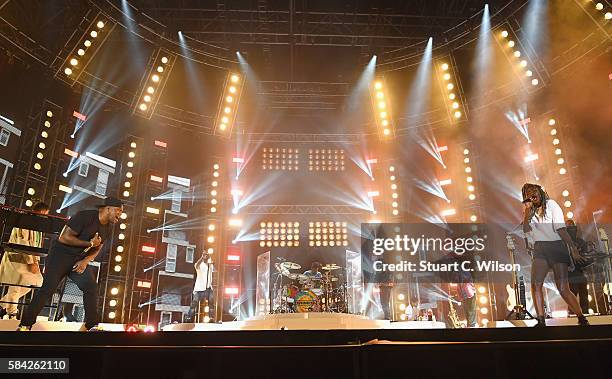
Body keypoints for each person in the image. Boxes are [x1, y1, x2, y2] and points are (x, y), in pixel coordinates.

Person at [17, 197, 123, 331]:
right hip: (59, 257)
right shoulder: (84, 216)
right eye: (118, 210)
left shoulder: (107, 228)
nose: (120, 214)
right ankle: (25, 324)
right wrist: (89, 243)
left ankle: (90, 326)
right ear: (108, 208)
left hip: (77, 261)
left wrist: (85, 261)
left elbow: (98, 248)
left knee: (91, 287)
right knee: (47, 290)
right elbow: (64, 237)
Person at [521, 183, 589, 326]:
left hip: (556, 246)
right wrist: (527, 212)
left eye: (534, 191)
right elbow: (526, 229)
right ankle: (541, 320)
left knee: (563, 288)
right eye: (527, 193)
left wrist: (573, 249)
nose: (531, 194)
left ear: (540, 192)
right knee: (535, 284)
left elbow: (561, 229)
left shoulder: (551, 205)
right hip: (540, 248)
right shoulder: (530, 211)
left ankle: (581, 317)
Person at [0, 202, 49, 319]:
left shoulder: (38, 226)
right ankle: (12, 312)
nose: (46, 216)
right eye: (45, 214)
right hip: (17, 258)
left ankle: (2, 303)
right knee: (16, 286)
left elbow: (36, 245)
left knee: (38, 282)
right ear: (40, 212)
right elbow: (23, 243)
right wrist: (31, 262)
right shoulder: (25, 221)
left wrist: (35, 261)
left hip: (29, 259)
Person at [565, 219, 589, 314]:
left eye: (572, 225)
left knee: (584, 293)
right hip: (570, 272)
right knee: (572, 292)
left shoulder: (581, 241)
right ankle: (572, 313)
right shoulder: (563, 242)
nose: (571, 227)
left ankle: (585, 312)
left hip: (581, 271)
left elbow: (585, 255)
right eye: (568, 225)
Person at [186, 252, 213, 322]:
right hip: (199, 288)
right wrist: (202, 258)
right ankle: (189, 317)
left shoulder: (210, 266)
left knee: (211, 302)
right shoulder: (200, 264)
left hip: (208, 288)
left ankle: (211, 318)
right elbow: (196, 265)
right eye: (205, 256)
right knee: (194, 303)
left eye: (207, 256)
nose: (206, 257)